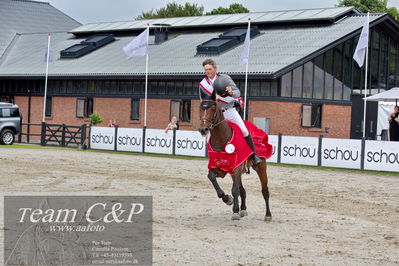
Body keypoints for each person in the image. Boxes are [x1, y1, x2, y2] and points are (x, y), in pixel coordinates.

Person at [199, 58, 261, 165]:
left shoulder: (225, 78)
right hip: (214, 114)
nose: (207, 71)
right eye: (205, 70)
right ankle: (215, 160)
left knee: (244, 130)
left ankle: (254, 155)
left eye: (209, 69)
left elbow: (237, 92)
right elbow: (203, 101)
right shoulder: (203, 84)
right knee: (209, 135)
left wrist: (231, 92)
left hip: (229, 110)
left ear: (215, 68)